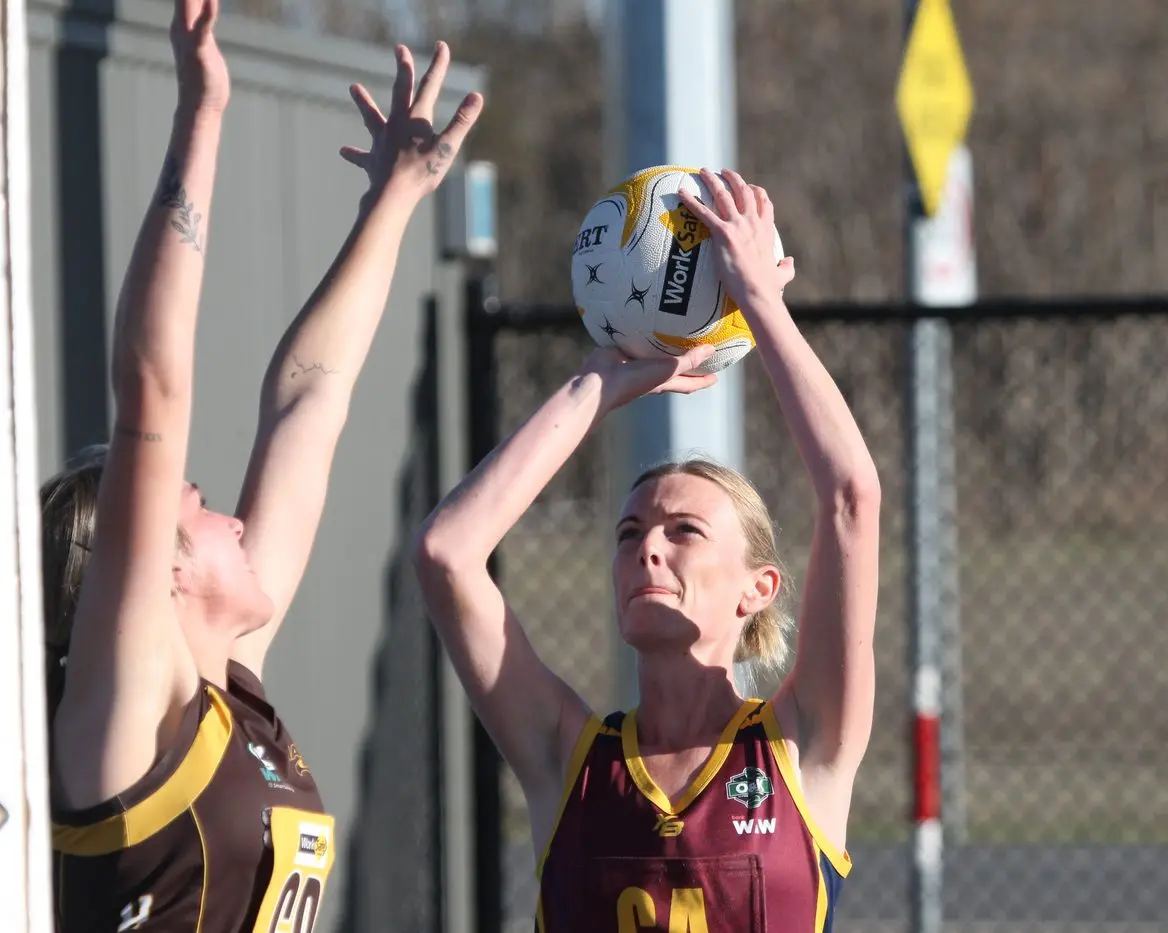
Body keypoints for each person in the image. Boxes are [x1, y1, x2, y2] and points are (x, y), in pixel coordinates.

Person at [41, 0, 483, 928]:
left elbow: (308, 399)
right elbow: (153, 385)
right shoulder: (123, 718)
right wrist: (201, 112)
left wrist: (392, 203)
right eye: (195, 506)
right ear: (150, 566)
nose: (230, 516)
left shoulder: (229, 691)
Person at [416, 168, 882, 931]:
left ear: (757, 587)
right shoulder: (569, 759)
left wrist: (759, 303)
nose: (647, 549)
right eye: (629, 533)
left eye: (683, 531)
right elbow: (445, 553)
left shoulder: (802, 745)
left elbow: (850, 498)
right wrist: (591, 389)